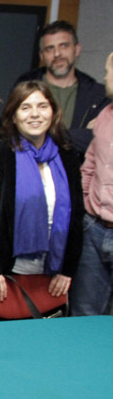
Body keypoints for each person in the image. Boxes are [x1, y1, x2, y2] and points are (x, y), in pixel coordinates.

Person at [0, 80, 83, 304]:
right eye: (25, 107)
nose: (35, 114)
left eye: (42, 106)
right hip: (6, 272)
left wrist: (67, 269)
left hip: (53, 272)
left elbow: (77, 216)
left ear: (52, 112)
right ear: (13, 116)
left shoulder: (67, 155)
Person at [13, 20, 109, 153]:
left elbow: (98, 141)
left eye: (64, 46)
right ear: (42, 55)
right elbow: (15, 135)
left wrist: (42, 135)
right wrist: (75, 135)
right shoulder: (24, 87)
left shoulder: (97, 95)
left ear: (77, 49)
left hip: (78, 171)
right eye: (50, 48)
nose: (57, 54)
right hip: (31, 168)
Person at [69, 52, 113, 315]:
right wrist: (87, 204)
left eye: (108, 71)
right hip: (94, 229)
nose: (105, 77)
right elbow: (91, 164)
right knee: (83, 314)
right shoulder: (105, 115)